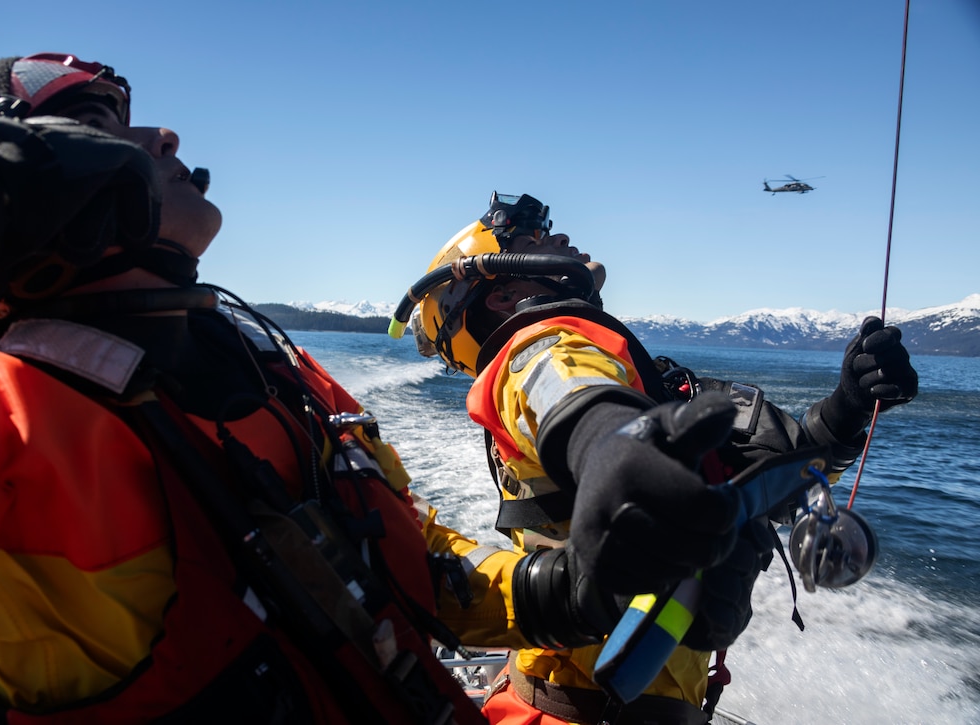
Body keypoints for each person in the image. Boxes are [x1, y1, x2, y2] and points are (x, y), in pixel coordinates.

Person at [0, 54, 744, 724]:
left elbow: (412, 568)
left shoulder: (273, 372)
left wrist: (567, 589)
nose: (166, 137)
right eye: (92, 122)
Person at [391, 191, 919, 724]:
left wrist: (846, 409)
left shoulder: (639, 372)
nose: (559, 237)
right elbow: (573, 399)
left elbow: (770, 473)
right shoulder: (544, 344)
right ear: (503, 297)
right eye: (534, 238)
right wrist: (613, 449)